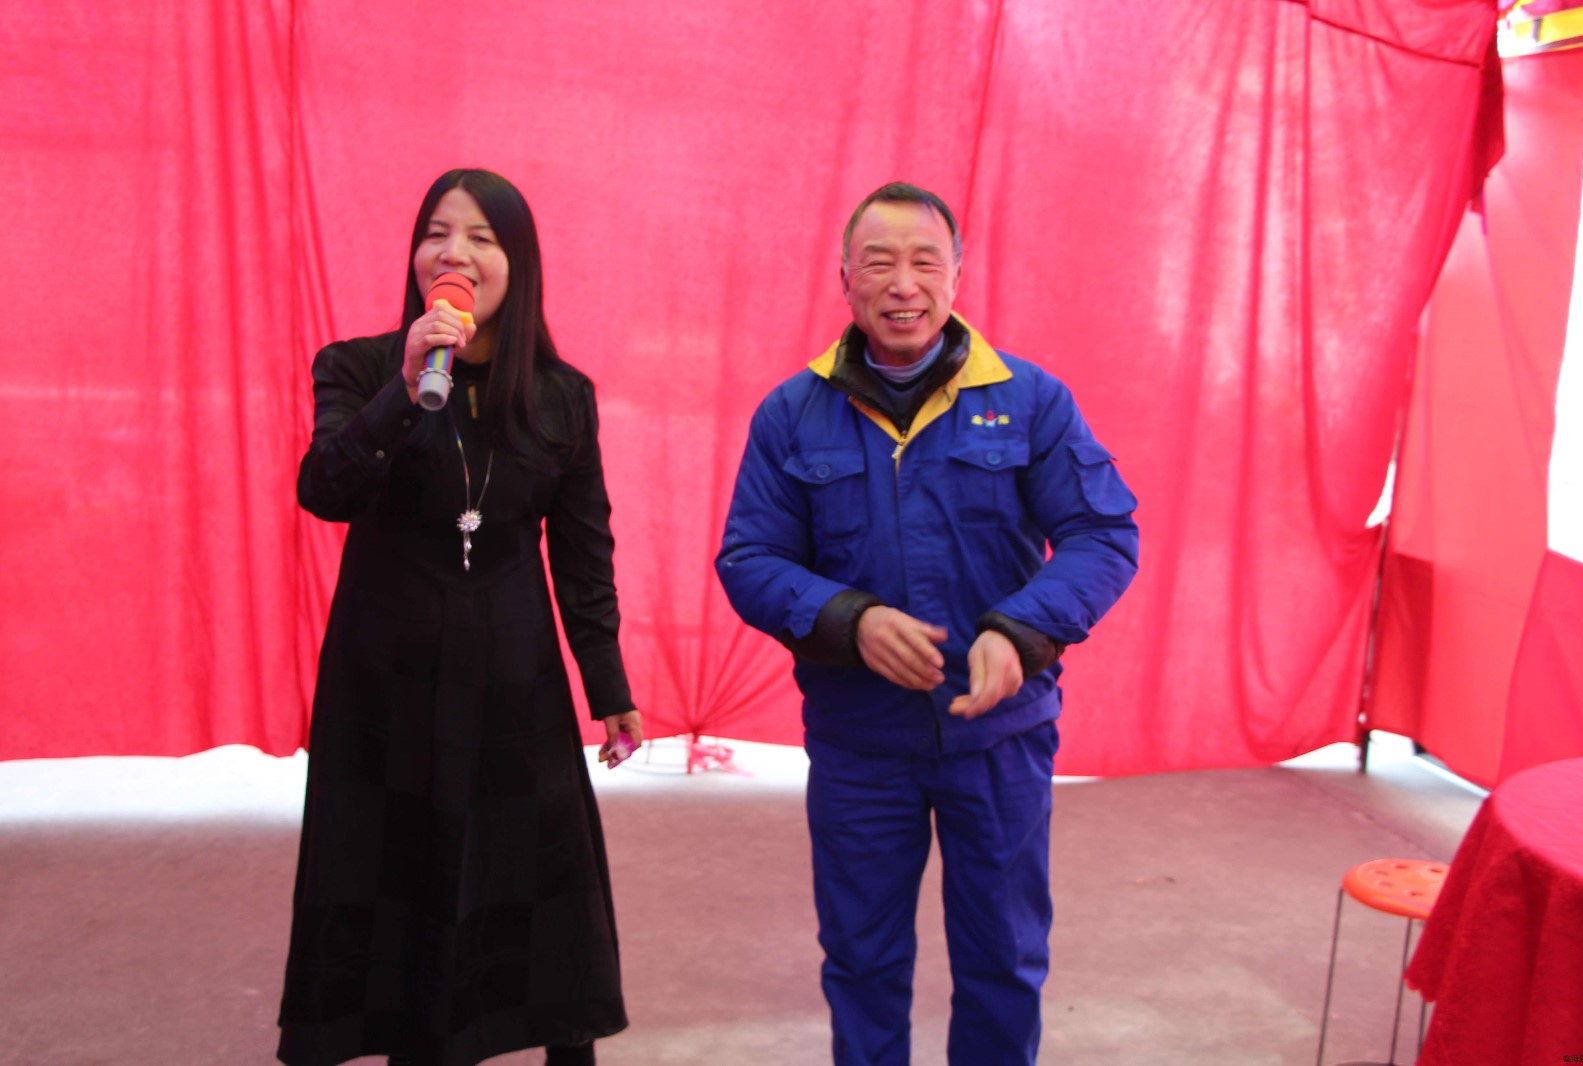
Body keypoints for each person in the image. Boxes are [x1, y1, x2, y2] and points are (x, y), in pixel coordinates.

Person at [716, 182, 1139, 1065]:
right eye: (879, 263)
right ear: (844, 278)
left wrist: (1021, 633)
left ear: (957, 276)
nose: (902, 284)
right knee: (862, 961)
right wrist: (849, 619)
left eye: (924, 262)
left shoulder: (1029, 400)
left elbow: (1103, 534)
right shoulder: (793, 414)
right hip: (859, 741)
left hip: (1000, 736)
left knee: (1004, 960)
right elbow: (750, 558)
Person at [278, 168, 642, 1066]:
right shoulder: (357, 367)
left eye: (483, 237)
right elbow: (325, 490)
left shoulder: (561, 396)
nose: (456, 253)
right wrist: (404, 387)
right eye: (438, 233)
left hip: (515, 680)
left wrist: (608, 685)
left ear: (518, 263)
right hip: (384, 683)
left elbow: (583, 552)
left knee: (540, 876)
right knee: (402, 883)